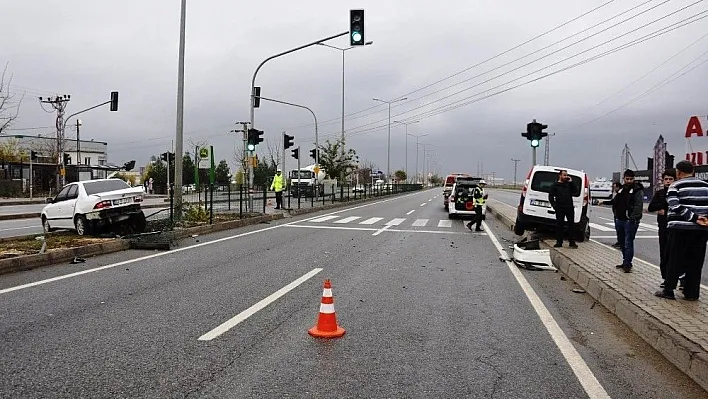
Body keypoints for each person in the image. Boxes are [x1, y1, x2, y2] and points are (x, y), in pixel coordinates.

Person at [655, 161, 708, 300]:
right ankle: (691, 293)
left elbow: (674, 205)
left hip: (679, 229)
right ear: (693, 172)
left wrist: (693, 217)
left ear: (678, 172)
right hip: (700, 230)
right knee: (695, 262)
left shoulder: (675, 186)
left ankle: (669, 290)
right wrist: (702, 219)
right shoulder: (706, 186)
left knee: (674, 260)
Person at [647, 169, 676, 287]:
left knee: (675, 254)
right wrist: (662, 205)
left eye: (670, 179)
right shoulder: (659, 193)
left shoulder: (678, 192)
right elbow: (650, 207)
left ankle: (679, 278)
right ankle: (665, 278)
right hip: (663, 227)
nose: (668, 182)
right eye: (666, 179)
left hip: (676, 228)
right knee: (664, 253)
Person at [613, 169, 644, 273]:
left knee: (628, 242)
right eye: (627, 179)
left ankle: (628, 263)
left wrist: (632, 218)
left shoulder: (637, 190)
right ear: (624, 179)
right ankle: (625, 260)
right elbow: (616, 202)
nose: (629, 181)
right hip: (619, 219)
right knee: (621, 242)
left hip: (629, 221)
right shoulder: (621, 190)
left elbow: (638, 206)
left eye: (631, 179)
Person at [549, 170, 577, 248]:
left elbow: (575, 191)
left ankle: (572, 242)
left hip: (569, 207)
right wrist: (555, 206)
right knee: (559, 225)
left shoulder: (568, 184)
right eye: (564, 175)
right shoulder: (555, 185)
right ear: (560, 175)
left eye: (566, 175)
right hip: (560, 208)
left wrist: (571, 182)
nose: (566, 177)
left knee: (571, 225)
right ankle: (559, 242)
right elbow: (551, 196)